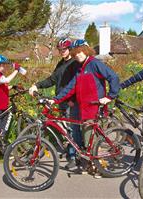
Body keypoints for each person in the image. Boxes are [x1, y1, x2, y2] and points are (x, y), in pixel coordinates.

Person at [49, 39, 120, 175]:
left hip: (93, 107)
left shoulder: (94, 64)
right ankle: (91, 163)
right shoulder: (80, 67)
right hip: (83, 107)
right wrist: (55, 99)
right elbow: (71, 87)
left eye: (80, 52)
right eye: (75, 53)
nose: (77, 55)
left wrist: (110, 96)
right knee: (85, 136)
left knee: (90, 138)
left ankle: (100, 167)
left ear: (86, 50)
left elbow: (113, 77)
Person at [29, 38, 82, 169]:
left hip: (71, 102)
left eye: (64, 49)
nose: (62, 52)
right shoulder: (60, 64)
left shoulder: (75, 63)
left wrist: (73, 100)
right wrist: (37, 85)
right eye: (60, 50)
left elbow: (77, 83)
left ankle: (74, 157)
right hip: (60, 100)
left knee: (71, 129)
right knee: (65, 128)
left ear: (69, 49)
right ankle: (71, 149)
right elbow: (52, 79)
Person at [0, 55, 22, 137]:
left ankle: (0, 144)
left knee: (3, 126)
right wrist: (17, 70)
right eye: (3, 65)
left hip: (2, 106)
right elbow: (7, 80)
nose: (5, 67)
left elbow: (2, 88)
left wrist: (13, 87)